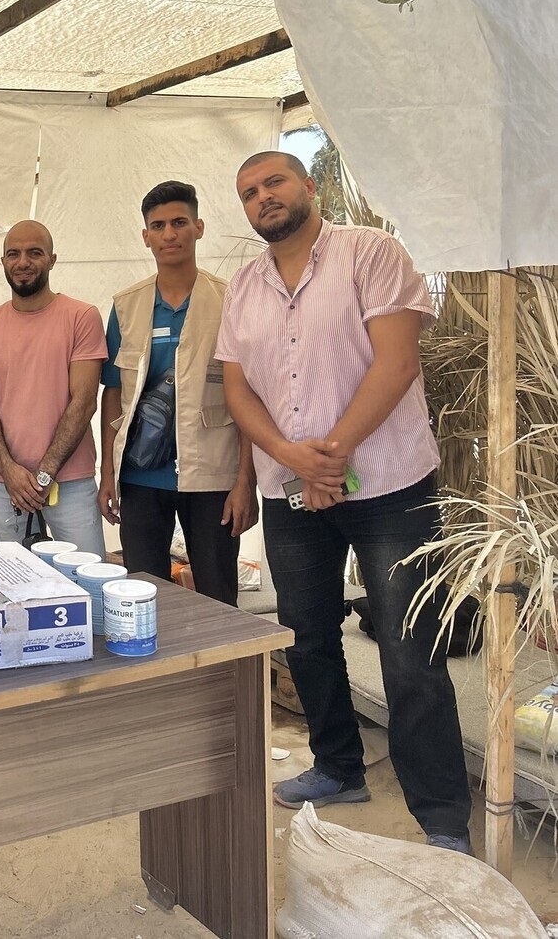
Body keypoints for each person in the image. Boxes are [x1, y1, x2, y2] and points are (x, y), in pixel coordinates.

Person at [217, 151, 471, 852]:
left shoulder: (371, 252)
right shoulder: (242, 287)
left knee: (408, 649)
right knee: (306, 636)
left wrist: (327, 453)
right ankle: (337, 768)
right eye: (248, 192)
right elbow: (238, 390)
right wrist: (293, 457)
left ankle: (442, 817)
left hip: (389, 484)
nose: (262, 198)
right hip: (290, 488)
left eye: (272, 182)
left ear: (309, 186)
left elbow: (396, 361)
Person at [98, 181, 258, 605]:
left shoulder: (231, 300)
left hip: (212, 474)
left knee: (218, 593)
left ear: (199, 228)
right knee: (143, 596)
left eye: (179, 223)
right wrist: (106, 475)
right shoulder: (125, 305)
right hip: (139, 475)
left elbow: (249, 396)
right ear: (145, 236)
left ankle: (221, 672)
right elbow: (112, 394)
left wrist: (245, 480)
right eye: (158, 225)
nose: (169, 234)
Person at [0, 220, 107, 552]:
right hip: (8, 486)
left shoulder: (81, 316)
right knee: (11, 588)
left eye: (34, 253)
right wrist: (9, 471)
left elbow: (84, 401)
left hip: (69, 483)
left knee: (88, 585)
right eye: (13, 254)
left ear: (52, 259)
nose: (23, 262)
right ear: (3, 262)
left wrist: (45, 473)